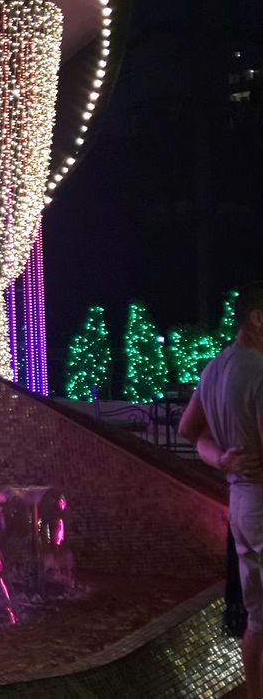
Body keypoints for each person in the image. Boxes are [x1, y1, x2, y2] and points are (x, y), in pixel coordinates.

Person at [179, 282, 263, 698]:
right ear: (258, 318)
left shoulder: (214, 368)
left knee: (258, 618)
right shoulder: (260, 372)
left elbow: (189, 430)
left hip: (242, 505)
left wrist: (222, 461)